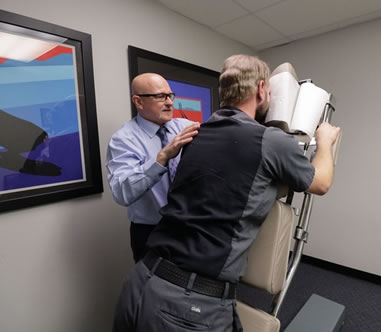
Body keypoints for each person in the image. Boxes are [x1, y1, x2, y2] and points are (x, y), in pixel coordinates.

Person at [112, 55, 340, 332]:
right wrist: (325, 141)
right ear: (260, 90)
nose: (168, 102)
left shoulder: (194, 133)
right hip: (188, 302)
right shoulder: (270, 142)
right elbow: (321, 183)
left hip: (143, 279)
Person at [106, 73, 200, 262]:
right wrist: (162, 158)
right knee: (151, 288)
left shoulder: (183, 127)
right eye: (160, 96)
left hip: (189, 228)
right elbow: (122, 193)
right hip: (150, 233)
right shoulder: (123, 140)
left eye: (170, 96)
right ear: (138, 102)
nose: (169, 103)